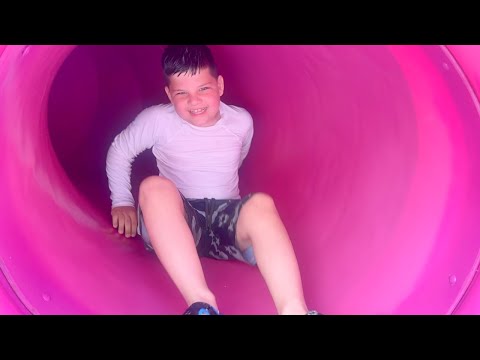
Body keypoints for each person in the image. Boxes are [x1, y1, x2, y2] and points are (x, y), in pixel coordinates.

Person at [106, 45, 318, 315]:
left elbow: (235, 160)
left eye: (203, 89)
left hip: (223, 221)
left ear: (219, 86)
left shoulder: (241, 122)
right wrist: (122, 200)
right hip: (179, 221)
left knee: (261, 204)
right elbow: (120, 151)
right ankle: (202, 304)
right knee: (153, 187)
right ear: (169, 95)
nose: (194, 102)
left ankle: (294, 310)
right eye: (182, 94)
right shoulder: (157, 120)